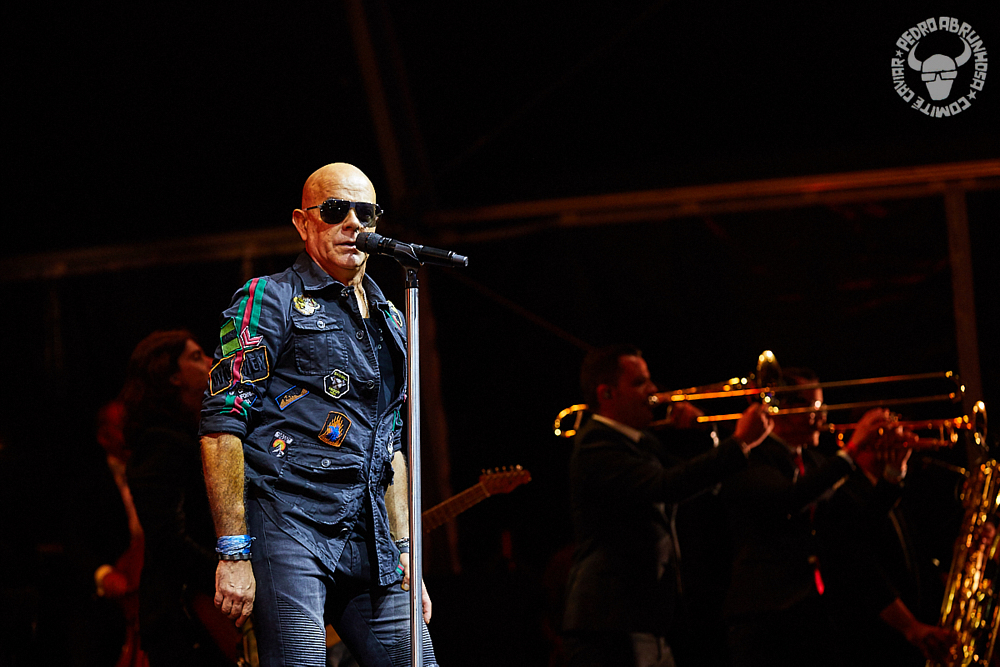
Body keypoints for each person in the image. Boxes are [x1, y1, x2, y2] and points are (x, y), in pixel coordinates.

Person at [199, 162, 436, 667]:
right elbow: (222, 426)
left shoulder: (393, 317)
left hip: (370, 533)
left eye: (365, 212)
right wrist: (233, 551)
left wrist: (406, 550)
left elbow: (391, 445)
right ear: (303, 223)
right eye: (334, 210)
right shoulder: (269, 298)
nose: (353, 223)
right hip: (290, 524)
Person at [720, 368, 955, 667]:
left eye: (823, 406)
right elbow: (790, 499)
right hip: (766, 620)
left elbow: (854, 532)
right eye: (814, 406)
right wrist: (853, 449)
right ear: (783, 409)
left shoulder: (816, 462)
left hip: (815, 618)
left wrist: (893, 475)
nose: (823, 416)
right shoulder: (751, 457)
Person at [562, 344, 774, 667]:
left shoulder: (640, 441)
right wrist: (740, 442)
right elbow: (667, 486)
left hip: (644, 619)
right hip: (611, 619)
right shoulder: (597, 443)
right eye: (640, 383)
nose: (654, 390)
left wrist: (706, 433)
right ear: (607, 394)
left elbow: (700, 484)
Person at [122, 330, 236, 667]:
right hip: (185, 616)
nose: (211, 362)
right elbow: (169, 539)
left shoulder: (193, 433)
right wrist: (230, 575)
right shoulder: (161, 442)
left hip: (203, 604)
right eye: (196, 357)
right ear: (172, 376)